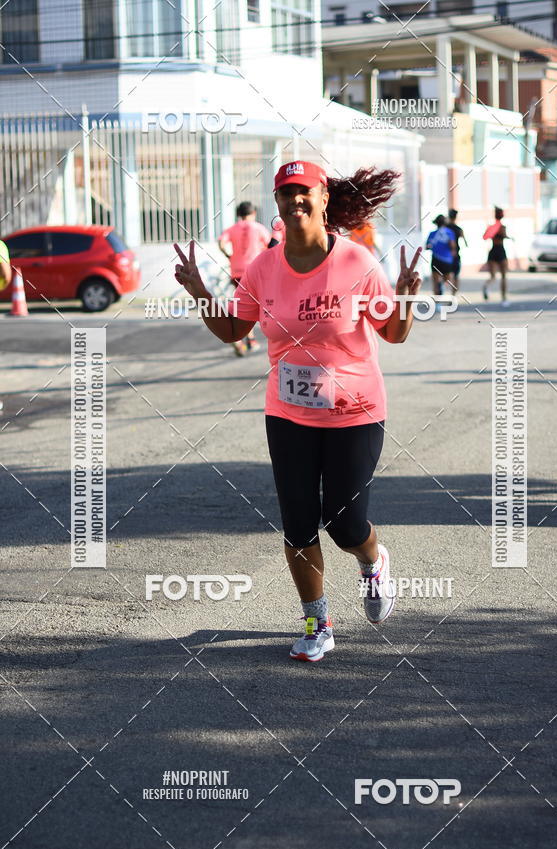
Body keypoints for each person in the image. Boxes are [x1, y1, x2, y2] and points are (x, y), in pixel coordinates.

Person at [174, 161, 422, 663]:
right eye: (285, 193)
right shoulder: (263, 268)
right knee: (298, 524)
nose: (295, 200)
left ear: (323, 197)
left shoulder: (357, 262)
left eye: (303, 191)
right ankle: (317, 623)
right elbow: (233, 331)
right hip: (288, 414)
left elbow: (392, 334)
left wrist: (407, 300)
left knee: (345, 523)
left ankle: (373, 562)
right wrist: (200, 291)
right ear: (278, 203)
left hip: (356, 411)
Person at [218, 201, 270, 355]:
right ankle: (247, 339)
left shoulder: (232, 229)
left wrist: (229, 255)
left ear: (238, 214)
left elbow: (221, 242)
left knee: (243, 307)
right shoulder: (259, 228)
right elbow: (271, 246)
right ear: (253, 213)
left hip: (237, 273)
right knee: (257, 307)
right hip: (255, 273)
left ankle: (245, 339)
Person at [483, 207, 509, 307]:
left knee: (493, 276)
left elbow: (485, 237)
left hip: (493, 251)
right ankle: (504, 298)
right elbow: (504, 235)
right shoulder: (502, 227)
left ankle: (486, 285)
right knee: (503, 276)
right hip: (500, 251)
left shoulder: (491, 227)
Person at [425, 214, 456, 295]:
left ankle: (437, 302)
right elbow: (453, 246)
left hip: (435, 259)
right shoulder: (449, 232)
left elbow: (427, 246)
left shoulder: (432, 234)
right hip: (447, 260)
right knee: (447, 279)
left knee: (436, 282)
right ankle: (443, 286)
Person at [446, 209, 467, 295]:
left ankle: (445, 291)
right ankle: (453, 295)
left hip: (446, 255)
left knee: (446, 275)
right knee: (456, 276)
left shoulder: (445, 228)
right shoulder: (459, 229)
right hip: (455, 255)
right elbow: (465, 243)